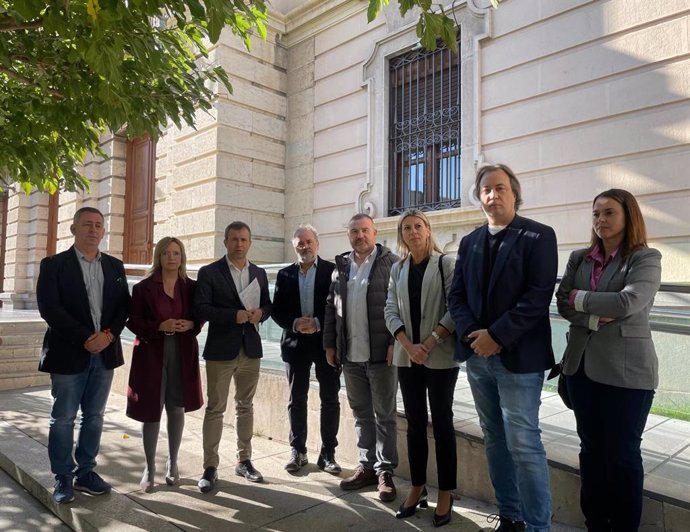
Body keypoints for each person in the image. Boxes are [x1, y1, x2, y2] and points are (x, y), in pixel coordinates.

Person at [448, 164, 557, 532]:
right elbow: (456, 296)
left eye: (500, 188)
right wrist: (472, 336)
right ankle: (510, 516)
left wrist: (496, 335)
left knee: (524, 443)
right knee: (494, 437)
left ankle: (538, 526)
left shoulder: (539, 236)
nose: (493, 195)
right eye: (486, 190)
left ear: (514, 193)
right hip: (478, 358)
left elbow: (538, 297)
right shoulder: (469, 242)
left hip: (520, 359)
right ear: (479, 198)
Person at [556, 189, 661, 531]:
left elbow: (626, 304)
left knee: (623, 456)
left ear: (628, 216)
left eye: (609, 213)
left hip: (627, 374)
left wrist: (580, 297)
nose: (600, 220)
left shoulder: (645, 258)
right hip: (581, 369)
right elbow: (562, 304)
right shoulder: (578, 258)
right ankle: (596, 523)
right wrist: (589, 315)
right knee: (591, 452)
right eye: (596, 213)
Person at [36, 206, 131, 504]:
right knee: (63, 418)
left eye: (98, 225)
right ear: (73, 229)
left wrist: (109, 335)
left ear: (104, 231)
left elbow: (123, 307)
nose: (93, 230)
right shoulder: (53, 265)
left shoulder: (115, 266)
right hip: (68, 353)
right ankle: (63, 476)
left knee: (94, 416)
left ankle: (86, 472)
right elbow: (50, 308)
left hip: (104, 354)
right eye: (87, 224)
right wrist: (85, 338)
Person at [384, 209, 458, 527]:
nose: (412, 232)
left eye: (418, 226)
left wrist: (429, 342)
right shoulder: (398, 269)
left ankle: (446, 491)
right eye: (406, 228)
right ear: (402, 236)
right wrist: (407, 344)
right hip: (407, 357)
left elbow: (457, 306)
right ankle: (417, 486)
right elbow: (389, 308)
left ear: (428, 231)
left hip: (439, 355)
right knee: (414, 423)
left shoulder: (446, 263)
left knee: (442, 423)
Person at [323, 213, 399, 502]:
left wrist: (395, 343)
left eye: (365, 230)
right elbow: (331, 307)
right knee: (361, 414)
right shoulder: (340, 267)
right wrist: (330, 344)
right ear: (349, 236)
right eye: (354, 231)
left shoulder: (390, 264)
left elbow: (399, 306)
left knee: (385, 416)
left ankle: (385, 472)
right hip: (351, 357)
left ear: (375, 232)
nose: (360, 236)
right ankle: (366, 466)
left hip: (381, 354)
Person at [194, 221, 272, 492]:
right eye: (234, 239)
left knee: (245, 406)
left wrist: (261, 313)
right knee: (216, 408)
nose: (239, 244)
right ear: (225, 242)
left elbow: (267, 304)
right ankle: (210, 466)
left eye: (244, 239)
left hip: (250, 349)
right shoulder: (209, 272)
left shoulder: (259, 273)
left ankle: (245, 460)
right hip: (221, 350)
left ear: (250, 243)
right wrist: (233, 315)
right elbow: (201, 308)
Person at [125, 237, 203, 492]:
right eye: (167, 253)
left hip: (182, 352)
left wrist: (191, 325)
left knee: (176, 408)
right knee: (151, 411)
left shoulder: (191, 287)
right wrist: (159, 326)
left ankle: (173, 462)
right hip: (151, 354)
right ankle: (150, 467)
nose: (172, 257)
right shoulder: (143, 288)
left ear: (182, 257)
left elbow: (199, 317)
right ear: (159, 256)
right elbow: (133, 322)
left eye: (177, 253)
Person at [272, 225, 341, 473]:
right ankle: (298, 451)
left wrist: (318, 323)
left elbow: (338, 308)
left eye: (309, 242)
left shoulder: (332, 272)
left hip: (326, 345)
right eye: (300, 243)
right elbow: (276, 310)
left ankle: (328, 454)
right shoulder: (284, 275)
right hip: (295, 345)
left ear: (317, 244)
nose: (305, 246)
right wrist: (294, 323)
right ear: (294, 246)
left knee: (330, 400)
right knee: (296, 399)